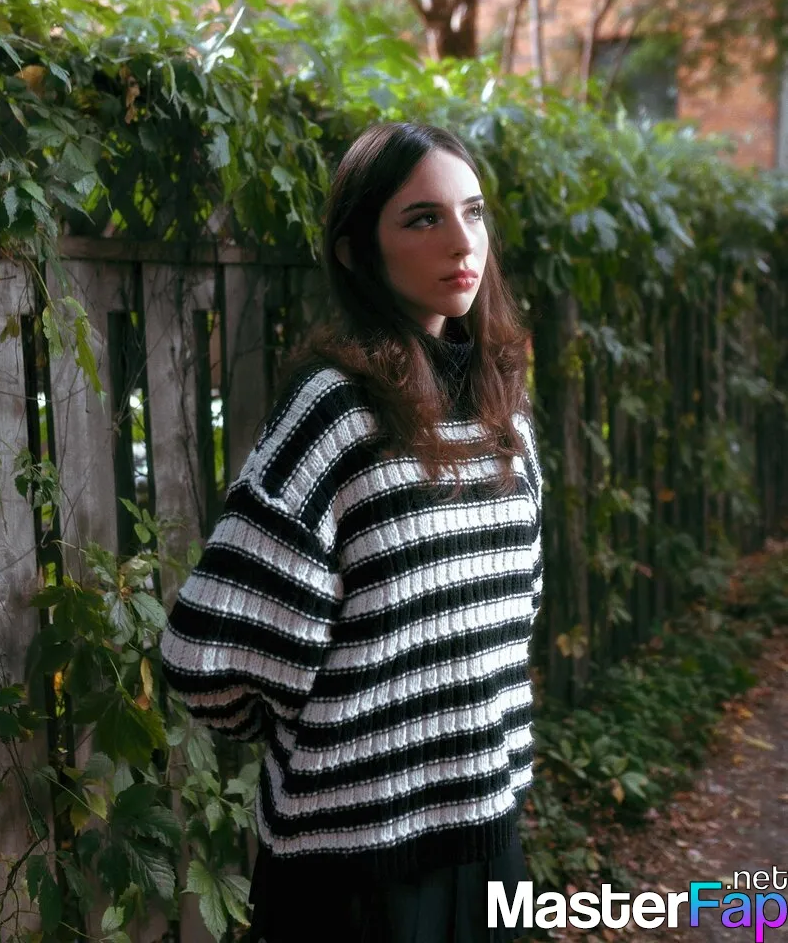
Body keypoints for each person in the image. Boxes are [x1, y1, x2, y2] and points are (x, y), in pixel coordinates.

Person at [160, 121, 544, 943]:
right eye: (423, 218)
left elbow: (509, 617)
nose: (462, 241)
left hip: (490, 851)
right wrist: (332, 737)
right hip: (354, 880)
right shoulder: (336, 412)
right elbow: (208, 654)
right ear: (355, 251)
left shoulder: (503, 412)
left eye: (473, 213)